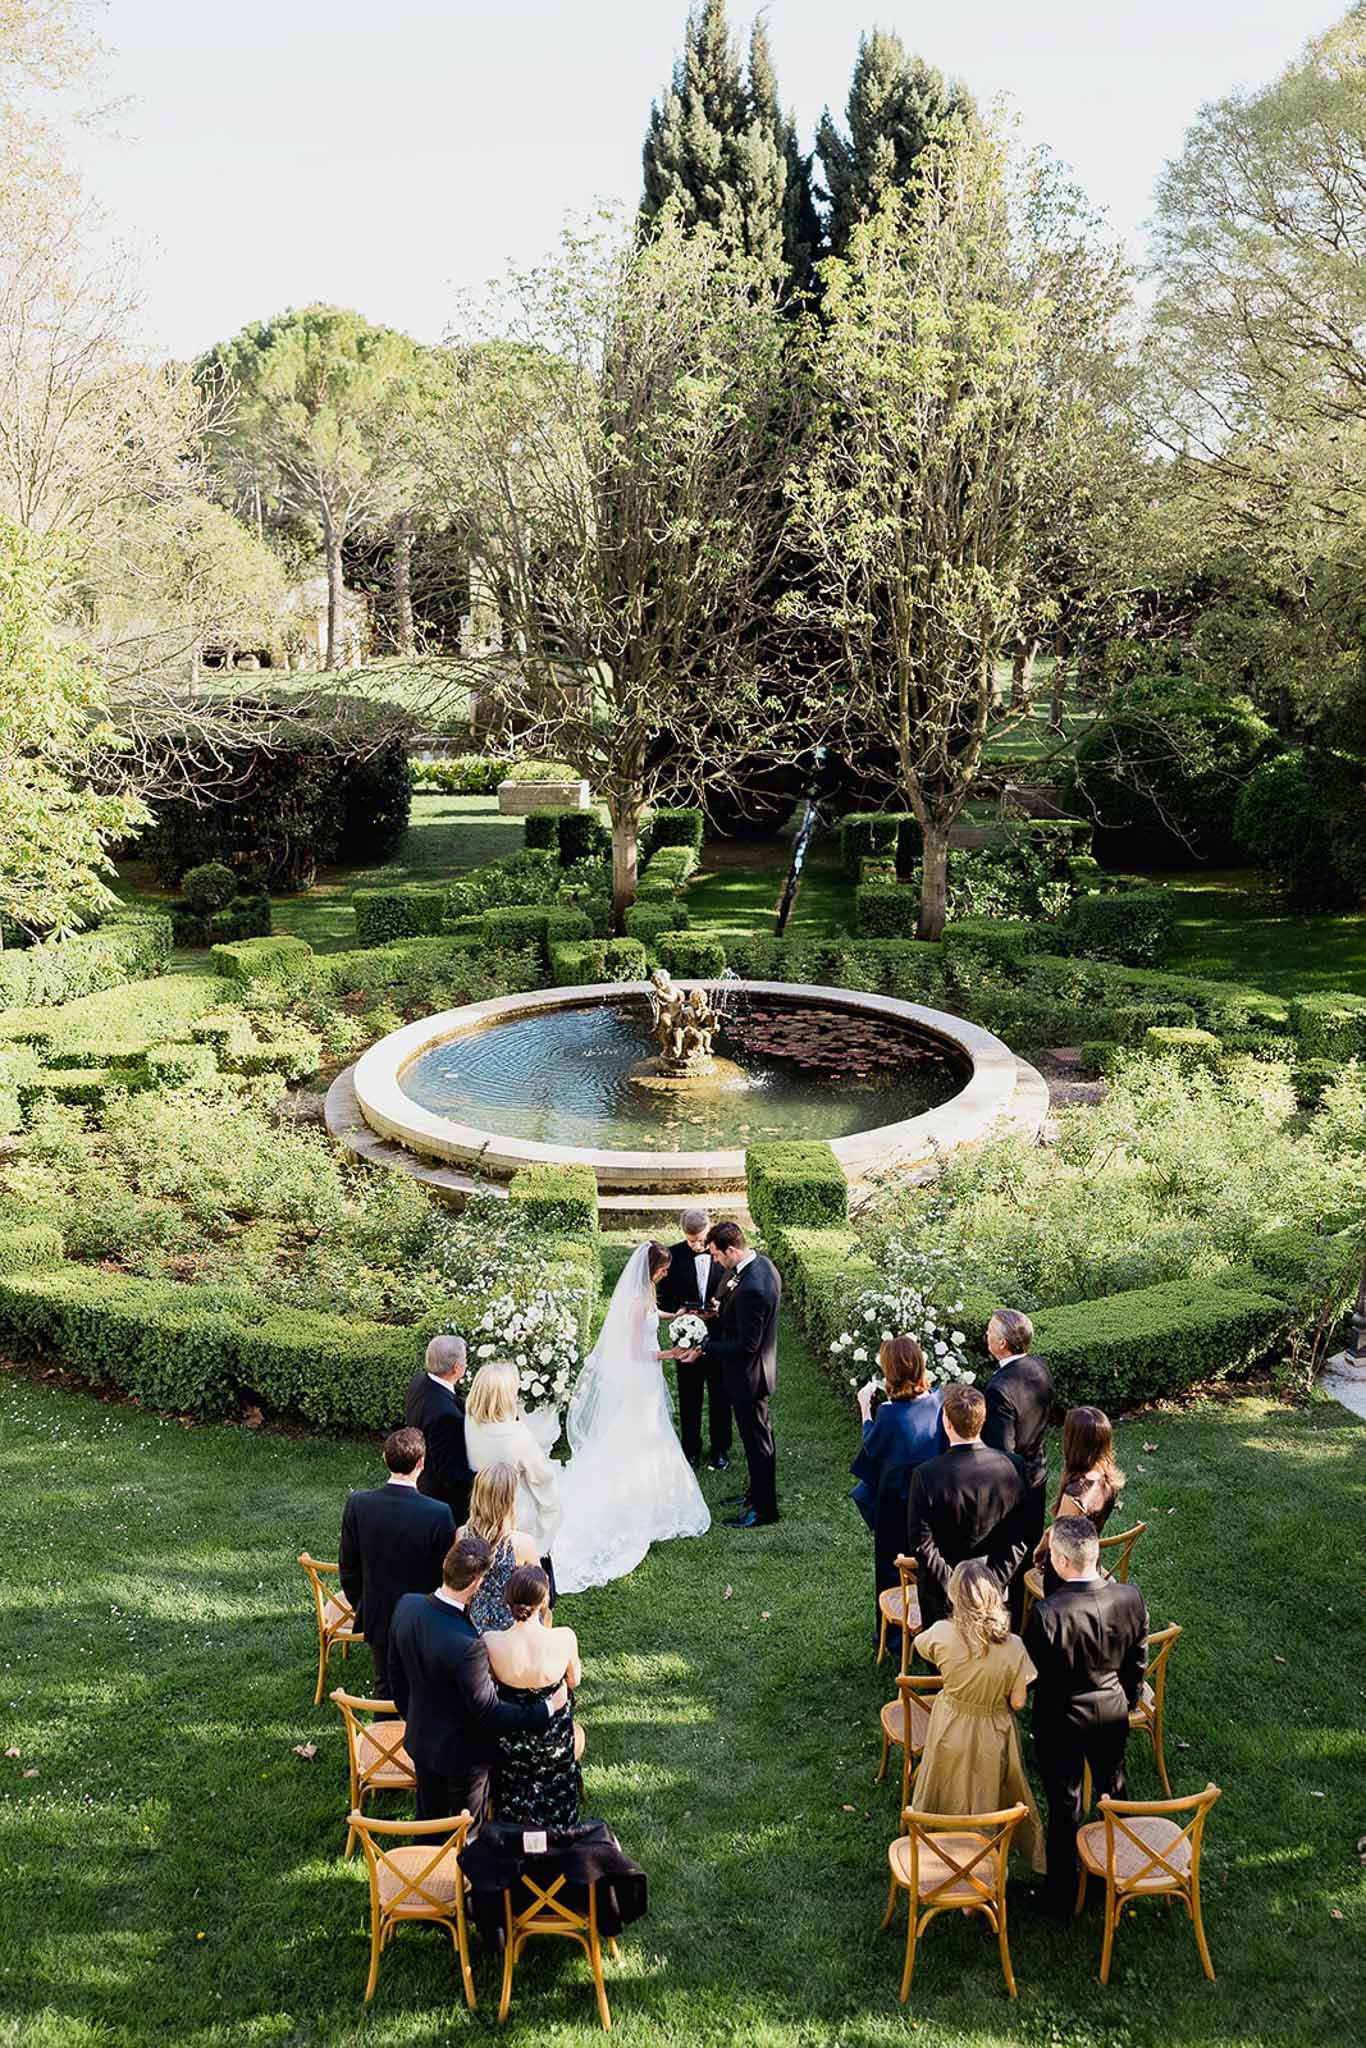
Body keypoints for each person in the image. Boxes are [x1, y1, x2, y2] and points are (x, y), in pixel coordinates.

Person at [553, 1243, 711, 1594]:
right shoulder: (637, 1301)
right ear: (652, 1269)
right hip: (641, 1375)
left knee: (650, 1432)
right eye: (664, 1269)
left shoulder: (644, 1294)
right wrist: (673, 1353)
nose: (667, 1274)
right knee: (641, 1433)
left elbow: (652, 1315)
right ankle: (636, 1498)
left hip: (644, 1378)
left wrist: (677, 1315)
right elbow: (636, 1350)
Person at [390, 1532, 568, 1826]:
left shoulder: (406, 1606)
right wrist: (547, 1707)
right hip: (464, 1758)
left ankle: (421, 1866)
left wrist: (414, 1717)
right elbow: (490, 1712)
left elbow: (396, 1679)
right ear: (475, 1583)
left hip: (421, 1740)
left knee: (427, 1820)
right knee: (467, 1831)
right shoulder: (468, 1645)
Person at [1025, 1515, 1148, 1919]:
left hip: (1060, 1719)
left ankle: (1061, 1892)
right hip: (1111, 1709)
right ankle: (1113, 1874)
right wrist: (1127, 1701)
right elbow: (1136, 1661)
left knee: (1064, 1805)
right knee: (1114, 1790)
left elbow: (1034, 1676)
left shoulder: (1047, 1613)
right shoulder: (1131, 1598)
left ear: (1061, 1560)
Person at [911, 1560, 1045, 1872]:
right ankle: (979, 1864)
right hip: (993, 1729)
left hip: (951, 1723)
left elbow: (920, 1646)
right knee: (985, 1794)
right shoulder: (1014, 1647)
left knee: (944, 1782)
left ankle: (938, 1849)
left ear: (955, 1599)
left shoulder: (942, 1634)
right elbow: (1018, 1702)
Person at [337, 1427, 454, 1702]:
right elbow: (446, 1575)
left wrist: (363, 1605)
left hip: (378, 1614)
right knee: (423, 1690)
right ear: (421, 1464)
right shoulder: (439, 1514)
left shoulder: (358, 1505)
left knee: (384, 1689)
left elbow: (348, 1568)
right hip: (424, 1619)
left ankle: (382, 1741)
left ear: (384, 1458)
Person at [679, 1222, 781, 1528]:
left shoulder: (754, 1288)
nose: (716, 1262)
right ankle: (754, 1493)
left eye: (718, 1256)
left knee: (758, 1443)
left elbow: (747, 1344)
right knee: (756, 1441)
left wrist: (705, 1348)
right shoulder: (757, 1263)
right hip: (747, 1374)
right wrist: (720, 1309)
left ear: (732, 1250)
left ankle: (764, 1510)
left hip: (750, 1377)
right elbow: (734, 1303)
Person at [906, 1383, 1031, 1631]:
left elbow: (921, 1544)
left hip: (943, 1594)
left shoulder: (925, 1475)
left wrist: (955, 1587)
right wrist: (991, 1584)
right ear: (982, 1421)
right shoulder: (1013, 1465)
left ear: (947, 1424)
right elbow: (1020, 1537)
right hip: (993, 1585)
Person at [850, 1335, 947, 1632]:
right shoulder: (939, 1400)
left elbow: (872, 1447)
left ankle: (896, 1633)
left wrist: (864, 1408)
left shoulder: (888, 1415)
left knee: (892, 1562)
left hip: (897, 1498)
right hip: (936, 1494)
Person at [485, 1565, 584, 1827]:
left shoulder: (491, 1642)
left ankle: (514, 1827)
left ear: (508, 1601)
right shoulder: (564, 1638)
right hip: (554, 1745)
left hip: (510, 1746)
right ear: (544, 1600)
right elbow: (574, 1680)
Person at [655, 1207, 732, 1472]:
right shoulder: (673, 1256)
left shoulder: (723, 1252)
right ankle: (691, 1449)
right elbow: (663, 1296)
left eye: (701, 1239)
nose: (698, 1245)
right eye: (692, 1241)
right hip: (686, 1336)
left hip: (719, 1333)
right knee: (689, 1395)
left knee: (721, 1393)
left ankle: (721, 1447)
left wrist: (718, 1306)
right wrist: (682, 1311)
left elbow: (735, 1288)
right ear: (683, 1235)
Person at [464, 1361, 564, 1563]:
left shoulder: (469, 1423)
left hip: (481, 1505)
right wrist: (549, 1513)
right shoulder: (517, 1434)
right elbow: (542, 1478)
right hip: (514, 1510)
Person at [981, 1309, 1054, 1555]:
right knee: (1030, 1543)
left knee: (1008, 1553)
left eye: (989, 1331)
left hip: (1014, 1487)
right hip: (1038, 1472)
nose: (986, 1334)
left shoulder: (998, 1389)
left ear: (1002, 1343)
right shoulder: (1041, 1366)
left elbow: (1001, 1451)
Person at [1034, 1406, 1125, 1596]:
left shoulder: (1075, 1495)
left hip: (1067, 1576)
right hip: (1090, 1561)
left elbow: (1056, 1537)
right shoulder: (1107, 1476)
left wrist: (1038, 1550)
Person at [462, 1463, 542, 1633]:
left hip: (473, 1623)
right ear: (509, 1501)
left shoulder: (462, 1535)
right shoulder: (522, 1543)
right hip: (511, 1628)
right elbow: (539, 1593)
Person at [404, 1334, 474, 1526]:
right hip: (444, 1503)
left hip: (423, 1481)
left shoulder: (419, 1382)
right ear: (457, 1369)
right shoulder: (447, 1416)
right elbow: (450, 1475)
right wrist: (489, 1478)